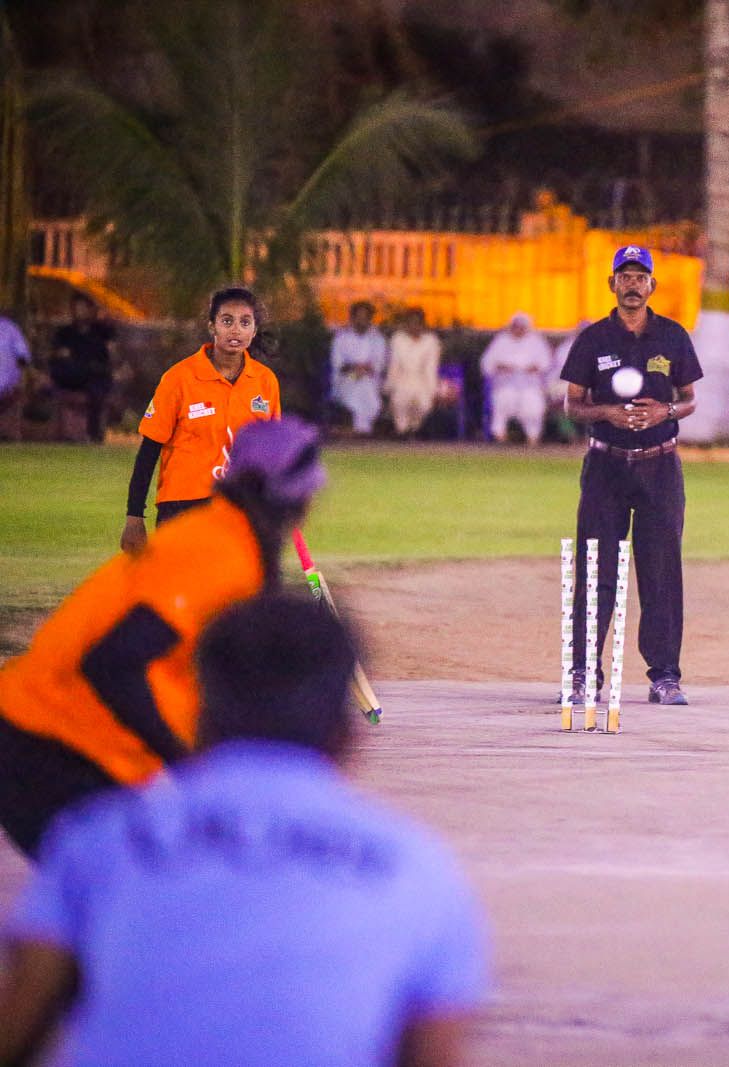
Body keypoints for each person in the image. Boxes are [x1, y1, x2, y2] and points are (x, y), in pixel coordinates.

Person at [0, 594, 489, 1066]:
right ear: (346, 735)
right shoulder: (418, 868)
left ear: (200, 718)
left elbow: (21, 1026)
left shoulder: (99, 839)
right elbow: (432, 1054)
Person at [0, 417, 325, 860]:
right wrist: (186, 765)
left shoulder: (227, 539)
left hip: (67, 742)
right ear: (294, 499)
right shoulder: (221, 554)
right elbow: (112, 663)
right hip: (52, 742)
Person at [560, 245, 701, 705]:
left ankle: (665, 676)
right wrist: (607, 413)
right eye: (626, 277)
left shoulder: (673, 336)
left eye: (641, 277)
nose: (633, 285)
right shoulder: (593, 339)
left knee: (661, 570)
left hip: (660, 464)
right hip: (606, 465)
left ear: (652, 285)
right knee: (595, 567)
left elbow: (690, 399)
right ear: (612, 284)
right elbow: (572, 404)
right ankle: (583, 673)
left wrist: (665, 411)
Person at [121, 286, 282, 552]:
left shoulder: (265, 382)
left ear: (254, 331)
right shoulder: (179, 379)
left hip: (239, 509)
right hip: (183, 507)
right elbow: (148, 452)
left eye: (245, 323)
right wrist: (134, 516)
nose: (236, 330)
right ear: (212, 326)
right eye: (227, 321)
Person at [49, 293, 117, 443]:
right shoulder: (64, 333)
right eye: (76, 308)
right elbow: (60, 356)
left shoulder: (103, 332)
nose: (79, 311)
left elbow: (111, 354)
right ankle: (64, 435)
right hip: (71, 376)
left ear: (91, 310)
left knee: (97, 391)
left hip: (95, 376)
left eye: (83, 308)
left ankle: (93, 434)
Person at [481, 310, 554, 443]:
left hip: (530, 385)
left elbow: (546, 364)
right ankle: (500, 436)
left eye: (522, 326)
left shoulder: (537, 342)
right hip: (505, 384)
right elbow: (487, 363)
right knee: (503, 400)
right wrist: (501, 367)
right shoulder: (501, 341)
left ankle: (532, 437)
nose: (519, 329)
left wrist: (534, 368)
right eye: (516, 326)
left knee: (533, 404)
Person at [329, 300, 387, 436]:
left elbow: (379, 364)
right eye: (358, 317)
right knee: (357, 385)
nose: (362, 320)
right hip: (347, 378)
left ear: (370, 319)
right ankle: (363, 430)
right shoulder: (341, 338)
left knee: (366, 386)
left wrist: (365, 369)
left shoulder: (378, 339)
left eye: (365, 317)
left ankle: (359, 430)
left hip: (370, 378)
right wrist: (355, 367)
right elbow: (338, 364)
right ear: (352, 318)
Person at [384, 307, 442, 437]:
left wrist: (433, 390)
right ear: (406, 324)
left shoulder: (431, 341)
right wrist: (389, 387)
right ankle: (401, 431)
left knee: (425, 405)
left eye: (417, 323)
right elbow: (394, 365)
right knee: (400, 402)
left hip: (422, 380)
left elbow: (431, 368)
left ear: (423, 325)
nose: (414, 326)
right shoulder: (397, 339)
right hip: (401, 379)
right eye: (411, 323)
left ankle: (414, 429)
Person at [0, 310, 31, 442]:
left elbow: (23, 356)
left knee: (10, 436)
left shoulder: (9, 328)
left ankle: (10, 437)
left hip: (8, 388)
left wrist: (22, 380)